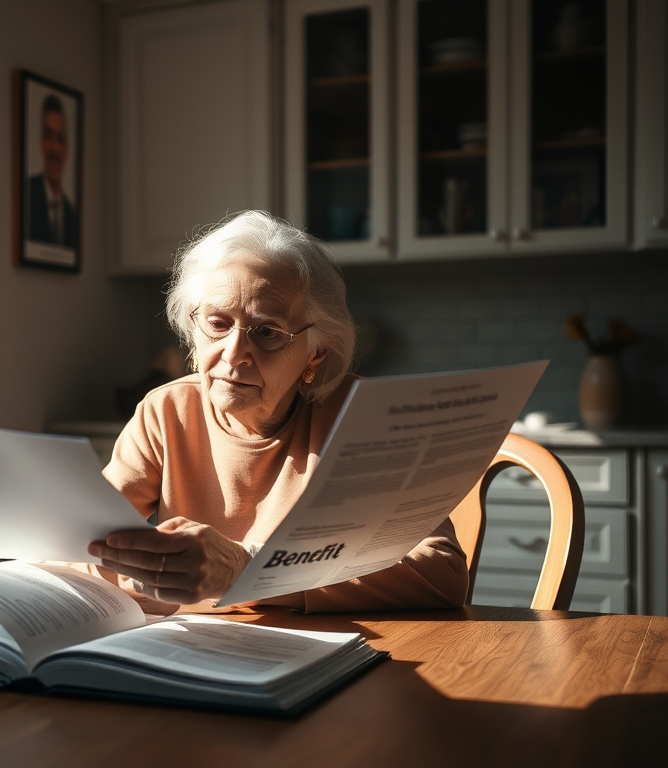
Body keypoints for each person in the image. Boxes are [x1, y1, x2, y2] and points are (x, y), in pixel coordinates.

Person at [87, 211, 469, 613]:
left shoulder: (365, 419)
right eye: (217, 323)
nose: (233, 354)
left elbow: (441, 574)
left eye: (268, 332)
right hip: (194, 649)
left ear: (316, 352)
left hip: (329, 654)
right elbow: (77, 540)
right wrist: (139, 572)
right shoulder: (166, 411)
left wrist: (247, 570)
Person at [26, 93, 78, 248]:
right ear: (41, 142)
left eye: (60, 139)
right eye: (49, 136)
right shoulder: (28, 195)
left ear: (66, 149)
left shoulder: (72, 215)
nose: (54, 148)